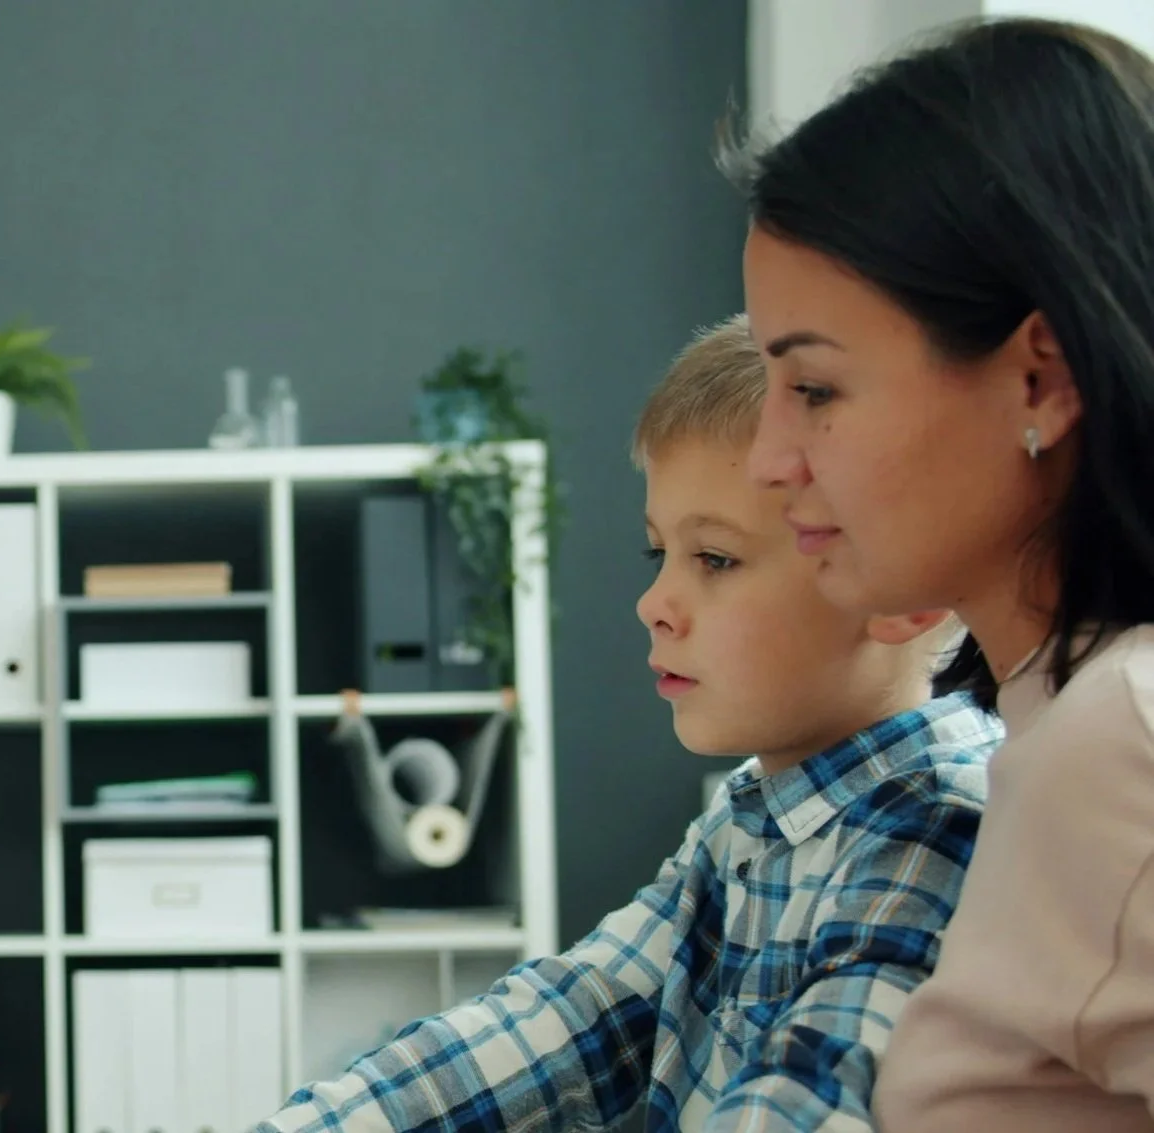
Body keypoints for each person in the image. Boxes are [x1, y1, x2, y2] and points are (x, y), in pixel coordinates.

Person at [253, 315, 1002, 1132]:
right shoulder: (750, 814)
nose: (653, 604)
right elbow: (580, 1011)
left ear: (902, 589)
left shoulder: (942, 823)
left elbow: (807, 1100)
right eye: (659, 554)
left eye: (713, 558)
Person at [729, 15, 1154, 1130]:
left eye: (814, 388)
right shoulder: (1053, 728)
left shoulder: (1121, 742)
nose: (768, 459)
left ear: (1038, 382)